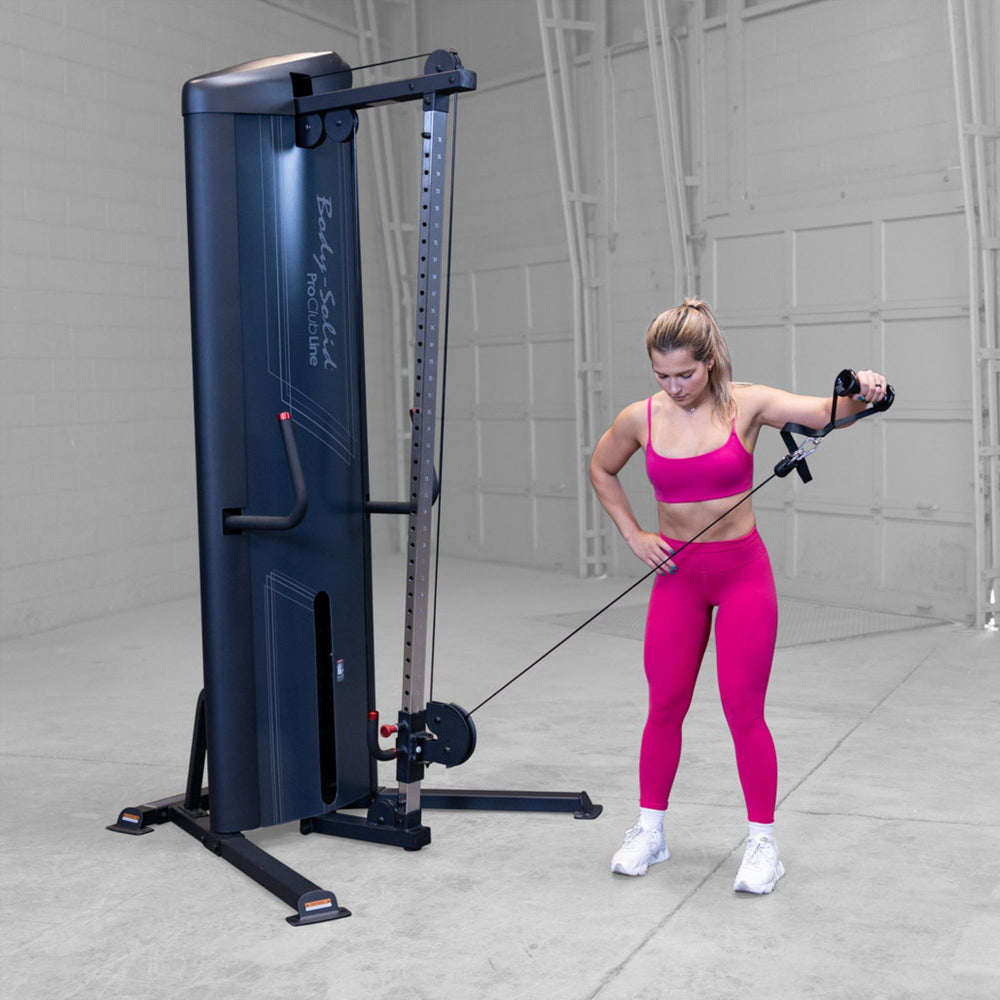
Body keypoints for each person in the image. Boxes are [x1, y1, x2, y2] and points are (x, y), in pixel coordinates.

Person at [588, 298, 889, 894]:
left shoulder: (745, 403)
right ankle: (651, 830)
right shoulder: (639, 418)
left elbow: (826, 413)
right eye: (662, 375)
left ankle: (762, 844)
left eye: (686, 374)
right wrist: (634, 533)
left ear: (711, 361)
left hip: (741, 573)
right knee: (665, 705)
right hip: (679, 579)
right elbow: (601, 469)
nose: (674, 387)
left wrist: (863, 390)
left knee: (742, 711)